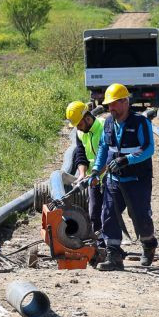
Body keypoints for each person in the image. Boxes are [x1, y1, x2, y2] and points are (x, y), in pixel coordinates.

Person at [92, 83, 157, 272]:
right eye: (108, 105)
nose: (110, 108)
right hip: (114, 179)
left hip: (137, 179)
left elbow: (148, 149)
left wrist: (126, 160)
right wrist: (97, 169)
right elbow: (104, 148)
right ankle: (114, 256)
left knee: (140, 216)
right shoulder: (108, 123)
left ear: (125, 102)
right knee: (109, 214)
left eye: (113, 104)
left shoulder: (141, 123)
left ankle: (148, 244)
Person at [65, 100, 106, 233]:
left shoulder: (104, 126)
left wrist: (98, 173)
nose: (78, 128)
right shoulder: (80, 132)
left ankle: (111, 246)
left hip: (109, 176)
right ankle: (99, 245)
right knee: (94, 212)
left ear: (88, 118)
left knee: (108, 213)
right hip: (92, 178)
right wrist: (82, 173)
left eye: (80, 124)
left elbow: (112, 154)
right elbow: (80, 153)